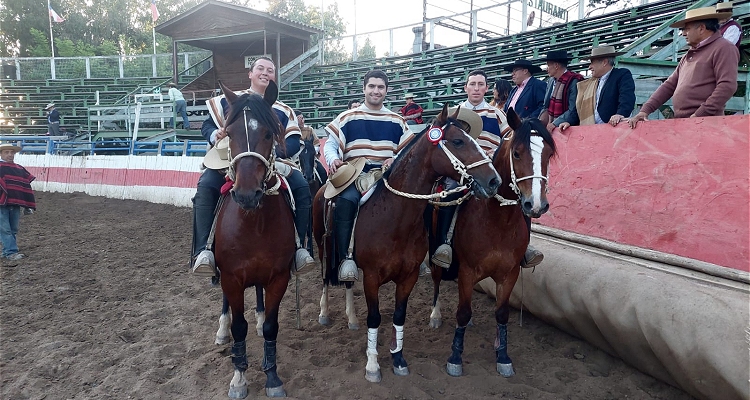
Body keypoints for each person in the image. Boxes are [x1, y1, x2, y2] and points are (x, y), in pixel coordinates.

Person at [191, 56, 315, 276]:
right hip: (230, 162)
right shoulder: (227, 100)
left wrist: (269, 153)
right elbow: (208, 125)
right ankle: (204, 251)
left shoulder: (284, 110)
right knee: (206, 185)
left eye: (270, 70)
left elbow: (294, 141)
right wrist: (214, 134)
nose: (265, 73)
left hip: (271, 163)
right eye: (260, 68)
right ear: (250, 73)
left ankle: (300, 249)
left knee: (302, 187)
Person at [431, 69, 544, 271]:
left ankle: (525, 247)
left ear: (487, 88)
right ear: (465, 87)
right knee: (448, 194)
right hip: (462, 170)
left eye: (480, 84)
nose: (476, 88)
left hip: (492, 170)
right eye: (472, 84)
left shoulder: (497, 113)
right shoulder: (453, 114)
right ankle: (444, 245)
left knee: (519, 194)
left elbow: (512, 139)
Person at [323, 70, 413, 281]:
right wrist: (333, 159)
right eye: (372, 86)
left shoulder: (397, 120)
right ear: (364, 88)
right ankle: (346, 258)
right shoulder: (347, 117)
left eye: (380, 87)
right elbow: (331, 144)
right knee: (347, 201)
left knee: (416, 201)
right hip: (355, 173)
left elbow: (408, 150)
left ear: (386, 90)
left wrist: (396, 158)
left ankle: (416, 255)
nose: (376, 91)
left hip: (388, 175)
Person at [629, 6, 738, 127]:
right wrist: (645, 110)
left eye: (687, 29)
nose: (683, 34)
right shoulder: (690, 53)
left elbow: (727, 86)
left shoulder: (724, 48)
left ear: (701, 28)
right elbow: (669, 85)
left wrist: (700, 114)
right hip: (687, 122)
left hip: (706, 124)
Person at [559, 46, 636, 129]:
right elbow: (579, 108)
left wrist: (620, 114)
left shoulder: (621, 75)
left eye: (592, 62)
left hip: (613, 129)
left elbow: (627, 98)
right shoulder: (590, 83)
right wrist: (569, 121)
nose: (590, 67)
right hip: (593, 130)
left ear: (604, 62)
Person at [0, 143, 35, 261]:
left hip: (15, 203)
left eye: (12, 152)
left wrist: (27, 204)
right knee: (5, 229)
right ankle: (11, 252)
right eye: (6, 152)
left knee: (13, 229)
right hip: (1, 204)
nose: (10, 155)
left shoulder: (20, 169)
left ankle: (6, 251)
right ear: (1, 154)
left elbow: (24, 187)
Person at [540, 50, 584, 133]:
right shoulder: (550, 81)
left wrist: (555, 123)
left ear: (556, 65)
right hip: (550, 125)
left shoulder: (574, 81)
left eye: (548, 65)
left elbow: (573, 110)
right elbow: (546, 106)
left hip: (566, 128)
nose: (547, 69)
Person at [296, 109, 327, 183]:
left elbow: (316, 143)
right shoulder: (291, 130)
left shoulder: (309, 129)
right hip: (295, 159)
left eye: (302, 118)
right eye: (299, 119)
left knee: (322, 172)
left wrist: (312, 152)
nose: (302, 121)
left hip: (309, 157)